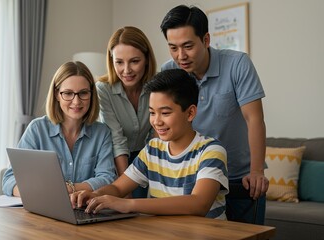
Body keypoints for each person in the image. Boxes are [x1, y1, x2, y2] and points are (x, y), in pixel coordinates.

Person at [160, 5, 269, 224]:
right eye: (173, 47)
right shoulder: (169, 71)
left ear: (206, 39)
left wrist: (256, 171)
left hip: (240, 177)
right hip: (193, 178)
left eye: (188, 46)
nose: (180, 56)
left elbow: (254, 118)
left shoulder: (238, 64)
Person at [70, 69, 228, 219]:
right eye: (152, 112)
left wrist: (128, 204)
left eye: (165, 113)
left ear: (190, 113)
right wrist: (96, 195)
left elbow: (199, 204)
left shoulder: (211, 150)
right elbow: (118, 188)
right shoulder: (153, 149)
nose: (156, 121)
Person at [2, 61, 117, 197]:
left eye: (83, 93)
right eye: (68, 93)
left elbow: (107, 178)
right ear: (57, 94)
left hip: (85, 210)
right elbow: (10, 179)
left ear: (91, 95)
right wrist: (36, 193)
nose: (76, 101)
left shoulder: (102, 133)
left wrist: (68, 188)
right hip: (42, 210)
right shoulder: (37, 129)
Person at [96, 26, 157, 198]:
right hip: (116, 158)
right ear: (111, 60)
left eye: (134, 61)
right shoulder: (103, 90)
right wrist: (126, 188)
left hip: (148, 156)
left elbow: (156, 135)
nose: (126, 70)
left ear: (146, 59)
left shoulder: (157, 86)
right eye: (119, 62)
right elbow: (116, 139)